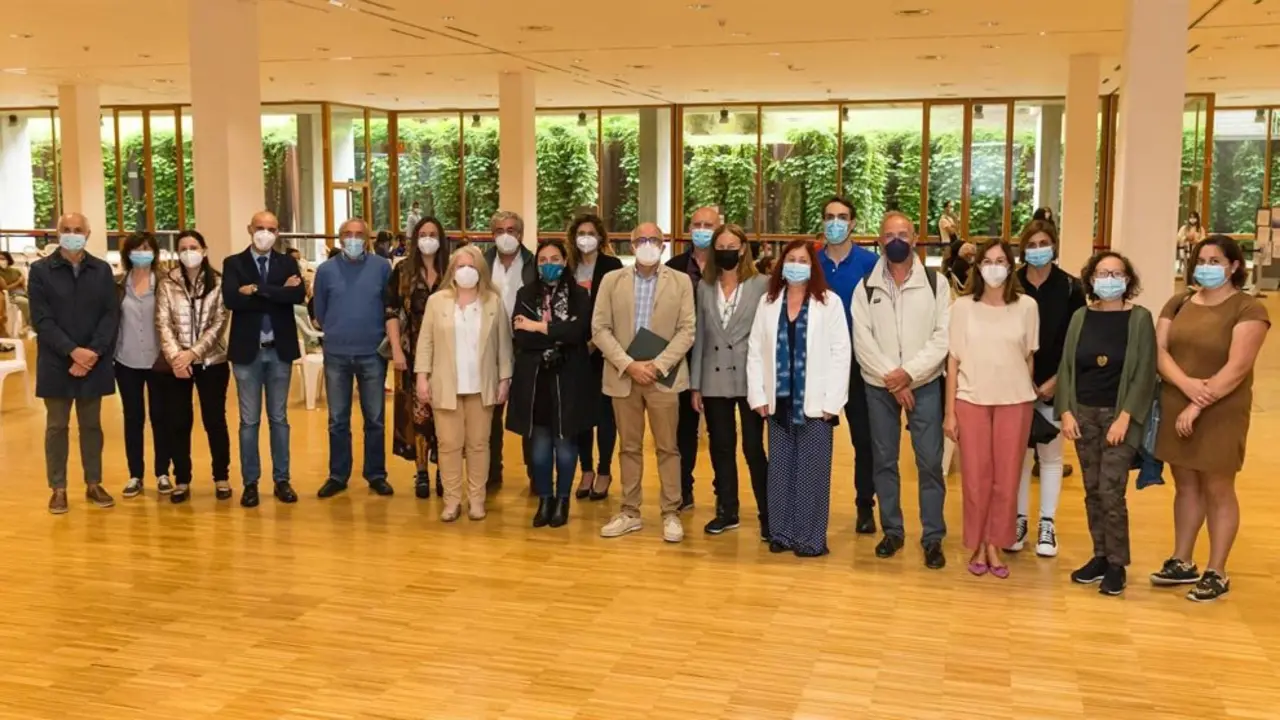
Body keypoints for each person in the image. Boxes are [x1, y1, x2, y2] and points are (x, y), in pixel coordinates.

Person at [1151, 235, 1270, 602]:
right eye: (1201, 259)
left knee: (1218, 487)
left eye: (1215, 260)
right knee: (1185, 484)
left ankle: (1217, 570)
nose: (1206, 266)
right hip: (1177, 401)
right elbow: (1158, 351)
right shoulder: (1180, 301)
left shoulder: (1248, 309)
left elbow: (1237, 367)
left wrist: (1198, 402)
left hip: (1221, 409)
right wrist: (1186, 387)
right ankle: (1182, 559)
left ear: (1234, 266)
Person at [851, 212, 950, 569]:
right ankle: (892, 530)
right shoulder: (866, 285)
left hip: (923, 385)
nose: (897, 240)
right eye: (890, 234)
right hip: (879, 387)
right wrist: (891, 379)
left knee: (929, 462)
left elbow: (943, 337)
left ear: (916, 237)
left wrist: (908, 374)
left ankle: (933, 536)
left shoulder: (937, 283)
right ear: (879, 240)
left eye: (903, 234)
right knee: (884, 461)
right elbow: (861, 339)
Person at [1056, 251, 1157, 596]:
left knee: (1111, 491)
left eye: (1116, 273)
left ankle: (1117, 563)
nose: (1109, 279)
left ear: (1128, 280)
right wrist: (1066, 411)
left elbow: (1145, 372)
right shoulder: (1081, 317)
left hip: (1120, 417)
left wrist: (1125, 418)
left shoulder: (1140, 319)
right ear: (1090, 279)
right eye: (1102, 273)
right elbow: (1067, 367)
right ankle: (1099, 555)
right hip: (1083, 413)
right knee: (1092, 491)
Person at [592, 222, 696, 543]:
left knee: (668, 447)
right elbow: (600, 328)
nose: (648, 244)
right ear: (632, 245)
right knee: (630, 447)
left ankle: (671, 512)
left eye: (654, 239)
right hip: (624, 377)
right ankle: (630, 510)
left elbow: (687, 330)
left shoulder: (679, 282)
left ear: (664, 245)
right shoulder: (612, 280)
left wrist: (657, 364)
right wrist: (629, 364)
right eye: (641, 239)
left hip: (664, 377)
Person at [747, 239, 850, 557]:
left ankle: (809, 539)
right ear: (781, 264)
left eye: (802, 260)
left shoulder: (828, 303)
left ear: (812, 266)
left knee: (812, 471)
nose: (796, 264)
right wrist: (758, 394)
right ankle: (781, 533)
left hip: (816, 404)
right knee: (779, 470)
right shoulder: (768, 301)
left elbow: (840, 353)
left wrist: (833, 403)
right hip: (778, 400)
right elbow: (754, 350)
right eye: (790, 259)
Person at [944, 239, 1038, 579]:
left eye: (1001, 260)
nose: (994, 267)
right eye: (988, 261)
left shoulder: (1027, 306)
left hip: (1015, 401)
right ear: (977, 267)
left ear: (1011, 267)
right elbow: (952, 362)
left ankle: (997, 542)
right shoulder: (962, 308)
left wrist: (1025, 389)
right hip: (971, 400)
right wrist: (949, 412)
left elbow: (1029, 357)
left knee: (1007, 478)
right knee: (975, 478)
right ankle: (978, 542)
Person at [29, 213, 119, 514]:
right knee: (56, 426)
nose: (71, 234)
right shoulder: (40, 271)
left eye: (77, 230)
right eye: (66, 229)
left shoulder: (102, 270)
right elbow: (41, 319)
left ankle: (93, 483)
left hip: (93, 361)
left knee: (91, 425)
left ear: (88, 233)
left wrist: (91, 352)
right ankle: (58, 488)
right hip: (57, 361)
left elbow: (110, 315)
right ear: (57, 233)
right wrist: (72, 351)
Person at [415, 244, 512, 521]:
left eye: (471, 266)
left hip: (483, 385)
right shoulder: (438, 301)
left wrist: (505, 378)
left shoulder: (493, 301)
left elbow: (504, 345)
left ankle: (477, 500)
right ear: (452, 271)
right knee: (448, 445)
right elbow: (426, 344)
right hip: (446, 385)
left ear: (480, 269)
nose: (466, 271)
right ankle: (452, 500)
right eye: (460, 266)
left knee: (479, 445)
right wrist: (422, 377)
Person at [1012, 220, 1086, 557]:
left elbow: (1078, 339)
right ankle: (1019, 520)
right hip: (1015, 385)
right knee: (1020, 458)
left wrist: (1056, 381)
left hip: (1056, 384)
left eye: (1044, 242)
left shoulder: (1071, 287)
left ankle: (1047, 524)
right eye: (1032, 242)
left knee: (1051, 456)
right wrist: (1022, 381)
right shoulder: (1011, 284)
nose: (1038, 248)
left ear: (1054, 246)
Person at [689, 224, 769, 537]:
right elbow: (700, 337)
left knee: (753, 448)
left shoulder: (761, 284)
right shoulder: (704, 287)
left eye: (731, 245)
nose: (725, 250)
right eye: (719, 245)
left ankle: (767, 512)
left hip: (750, 379)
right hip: (713, 377)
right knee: (721, 447)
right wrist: (696, 384)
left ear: (743, 248)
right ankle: (727, 509)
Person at [222, 210, 305, 508]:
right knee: (249, 421)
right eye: (260, 227)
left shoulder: (287, 262)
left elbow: (296, 297)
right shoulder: (234, 263)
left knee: (279, 419)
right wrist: (278, 292)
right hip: (247, 353)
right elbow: (232, 300)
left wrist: (256, 290)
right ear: (249, 229)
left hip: (279, 350)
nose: (265, 233)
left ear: (278, 233)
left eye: (271, 228)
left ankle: (282, 479)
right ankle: (250, 483)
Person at [507, 240, 593, 528]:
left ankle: (563, 499)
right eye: (543, 259)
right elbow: (521, 336)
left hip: (570, 379)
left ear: (565, 260)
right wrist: (553, 331)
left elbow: (579, 331)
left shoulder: (580, 295)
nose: (548, 264)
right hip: (536, 381)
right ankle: (545, 499)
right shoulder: (525, 294)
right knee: (540, 446)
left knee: (566, 445)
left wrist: (538, 326)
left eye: (554, 258)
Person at [314, 219, 394, 499]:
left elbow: (389, 306)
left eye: (359, 234)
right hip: (336, 353)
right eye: (348, 234)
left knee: (375, 419)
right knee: (337, 420)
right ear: (339, 238)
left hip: (372, 353)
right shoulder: (325, 271)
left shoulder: (382, 268)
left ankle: (376, 474)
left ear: (368, 238)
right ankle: (338, 474)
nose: (353, 239)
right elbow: (320, 311)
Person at [814, 195, 880, 534]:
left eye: (842, 217)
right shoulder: (809, 262)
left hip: (859, 366)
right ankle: (810, 508)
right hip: (818, 366)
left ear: (853, 223)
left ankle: (864, 505)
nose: (835, 223)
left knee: (864, 440)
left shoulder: (871, 263)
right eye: (829, 216)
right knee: (814, 439)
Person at [156, 230, 232, 503]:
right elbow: (163, 323)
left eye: (194, 246)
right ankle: (182, 479)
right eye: (184, 248)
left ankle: (221, 476)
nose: (189, 252)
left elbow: (219, 322)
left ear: (204, 249)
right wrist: (178, 357)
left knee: (215, 420)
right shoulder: (167, 283)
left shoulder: (219, 282)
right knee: (178, 421)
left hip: (212, 362)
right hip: (177, 366)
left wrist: (194, 353)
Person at [387, 216, 449, 498]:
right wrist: (397, 351)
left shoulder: (452, 269)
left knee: (444, 413)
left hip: (447, 355)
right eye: (423, 233)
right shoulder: (402, 271)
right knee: (418, 415)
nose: (427, 238)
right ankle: (422, 471)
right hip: (410, 353)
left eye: (433, 233)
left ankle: (443, 471)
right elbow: (390, 313)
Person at [565, 213, 624, 501]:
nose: (585, 237)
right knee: (581, 416)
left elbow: (617, 309)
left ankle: (603, 470)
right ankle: (585, 469)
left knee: (604, 415)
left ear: (600, 237)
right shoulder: (569, 267)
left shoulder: (612, 267)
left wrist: (597, 342)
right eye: (580, 232)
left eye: (590, 232)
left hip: (605, 351)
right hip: (576, 352)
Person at [114, 231, 173, 499]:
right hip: (126, 360)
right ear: (128, 253)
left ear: (155, 252)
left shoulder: (165, 282)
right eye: (137, 248)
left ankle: (162, 472)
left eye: (147, 248)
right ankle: (135, 474)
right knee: (133, 418)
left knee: (161, 417)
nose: (142, 252)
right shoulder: (118, 285)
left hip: (158, 360)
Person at [666, 205, 718, 510]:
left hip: (717, 360)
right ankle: (683, 490)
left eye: (708, 225)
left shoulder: (726, 265)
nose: (702, 229)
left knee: (719, 432)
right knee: (682, 431)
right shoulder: (673, 266)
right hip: (681, 358)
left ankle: (723, 494)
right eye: (696, 224)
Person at [482, 210, 535, 492]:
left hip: (525, 346)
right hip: (489, 347)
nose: (506, 235)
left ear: (520, 234)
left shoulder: (533, 263)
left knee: (529, 412)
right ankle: (491, 473)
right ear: (492, 235)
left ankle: (535, 474)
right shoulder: (481, 263)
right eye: (500, 230)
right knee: (490, 413)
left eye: (512, 230)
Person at [0, 251, 29, 333]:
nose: (1, 261)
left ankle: (27, 325)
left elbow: (23, 285)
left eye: (3, 258)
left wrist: (23, 285)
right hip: (11, 296)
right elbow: (5, 288)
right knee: (25, 302)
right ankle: (30, 325)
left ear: (8, 260)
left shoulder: (16, 271)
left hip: (22, 293)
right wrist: (18, 282)